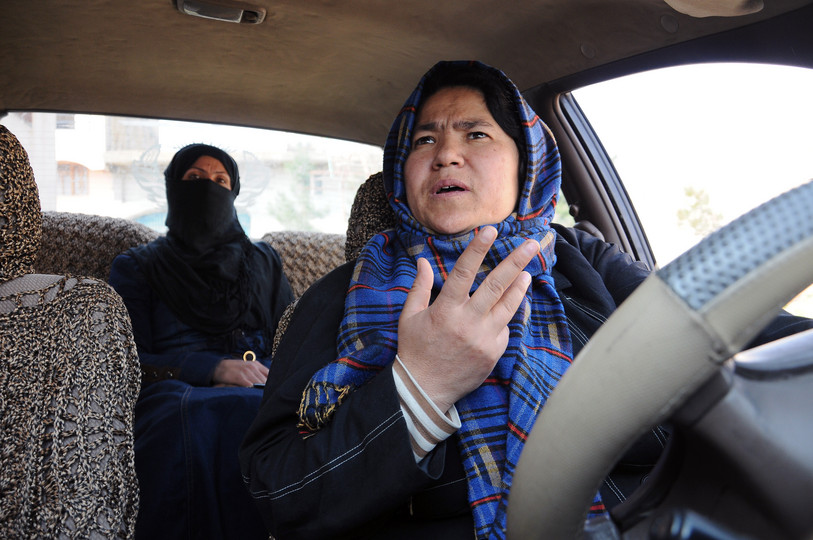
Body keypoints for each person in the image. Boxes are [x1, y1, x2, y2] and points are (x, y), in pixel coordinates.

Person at [238, 61, 813, 540]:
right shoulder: (339, 296)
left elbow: (728, 326)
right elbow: (277, 490)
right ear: (401, 173)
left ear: (527, 166)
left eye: (476, 134)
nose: (445, 155)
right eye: (424, 139)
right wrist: (420, 387)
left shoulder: (580, 257)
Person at [109, 143, 294, 539]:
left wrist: (272, 375)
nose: (208, 188)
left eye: (220, 180)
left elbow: (293, 339)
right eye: (194, 179)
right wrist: (212, 369)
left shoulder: (264, 261)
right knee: (204, 418)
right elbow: (122, 360)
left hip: (263, 381)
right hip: (173, 390)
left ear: (234, 191)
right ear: (174, 188)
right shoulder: (137, 266)